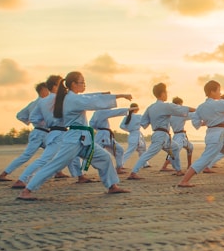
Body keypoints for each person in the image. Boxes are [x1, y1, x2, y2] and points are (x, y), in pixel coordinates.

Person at [17, 72, 132, 200]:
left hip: (83, 138)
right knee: (55, 165)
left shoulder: (72, 97)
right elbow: (92, 101)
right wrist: (120, 96)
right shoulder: (72, 99)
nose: (84, 85)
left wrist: (107, 94)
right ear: (73, 84)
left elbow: (89, 97)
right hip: (73, 139)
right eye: (82, 82)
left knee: (104, 157)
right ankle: (26, 191)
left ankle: (112, 186)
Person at [10, 75, 87, 189]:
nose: (64, 87)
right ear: (55, 86)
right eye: (61, 84)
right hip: (59, 133)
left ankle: (80, 176)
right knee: (45, 159)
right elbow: (85, 99)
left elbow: (34, 118)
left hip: (55, 132)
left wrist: (48, 122)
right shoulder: (62, 98)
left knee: (73, 155)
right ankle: (22, 179)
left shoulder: (43, 101)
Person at [127, 83, 195, 179]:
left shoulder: (150, 107)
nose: (167, 94)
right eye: (166, 92)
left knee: (175, 148)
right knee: (149, 154)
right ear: (162, 93)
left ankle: (178, 170)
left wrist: (156, 120)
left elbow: (143, 123)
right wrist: (198, 110)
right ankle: (133, 172)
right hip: (161, 135)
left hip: (160, 134)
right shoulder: (165, 106)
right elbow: (181, 109)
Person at [0, 82, 51, 182]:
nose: (50, 92)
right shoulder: (41, 103)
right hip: (40, 132)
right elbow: (20, 115)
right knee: (26, 156)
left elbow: (20, 115)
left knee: (54, 152)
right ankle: (3, 174)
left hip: (44, 133)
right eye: (48, 89)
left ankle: (58, 172)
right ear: (42, 90)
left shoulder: (34, 103)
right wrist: (32, 121)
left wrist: (28, 121)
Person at [90, 105, 130, 174]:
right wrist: (129, 109)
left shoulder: (96, 113)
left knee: (119, 150)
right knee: (92, 153)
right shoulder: (101, 112)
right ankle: (83, 170)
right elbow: (115, 112)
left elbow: (91, 124)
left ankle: (118, 168)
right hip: (102, 135)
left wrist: (99, 128)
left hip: (105, 134)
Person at [160, 97, 195, 171]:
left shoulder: (170, 115)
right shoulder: (180, 114)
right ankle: (164, 166)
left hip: (177, 135)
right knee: (175, 150)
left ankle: (189, 165)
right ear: (179, 104)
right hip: (180, 136)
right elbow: (192, 115)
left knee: (190, 147)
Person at [119, 103, 150, 169]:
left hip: (132, 134)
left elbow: (121, 126)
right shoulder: (138, 116)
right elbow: (144, 123)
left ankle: (145, 163)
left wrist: (129, 130)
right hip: (136, 134)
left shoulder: (126, 117)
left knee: (141, 149)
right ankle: (120, 164)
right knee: (137, 150)